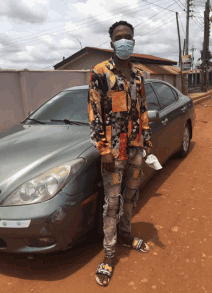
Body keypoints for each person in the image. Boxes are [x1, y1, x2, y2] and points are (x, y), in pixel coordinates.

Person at [87, 20, 153, 287]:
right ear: (112, 41)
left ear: (133, 40)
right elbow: (95, 114)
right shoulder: (100, 72)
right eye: (119, 37)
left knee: (131, 196)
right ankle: (109, 255)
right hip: (114, 153)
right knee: (111, 204)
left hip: (136, 148)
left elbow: (143, 110)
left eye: (128, 36)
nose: (124, 40)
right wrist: (103, 149)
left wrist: (146, 141)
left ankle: (126, 235)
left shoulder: (138, 75)